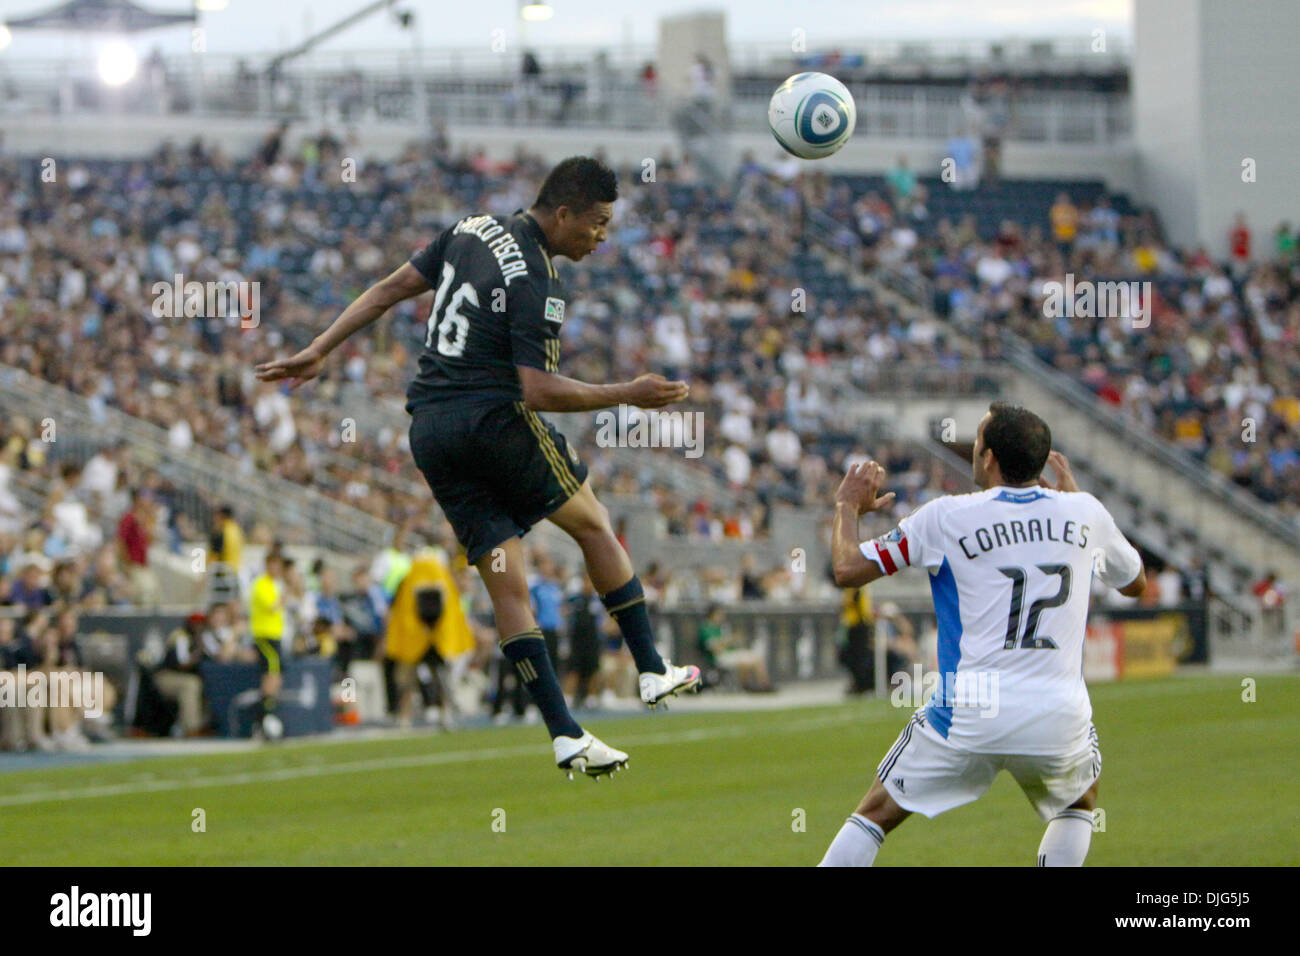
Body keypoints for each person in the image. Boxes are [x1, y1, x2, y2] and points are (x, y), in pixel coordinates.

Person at [256, 156, 700, 778]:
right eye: (597, 224)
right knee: (594, 524)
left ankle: (564, 734)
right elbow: (539, 392)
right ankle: (652, 667)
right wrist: (627, 391)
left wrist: (319, 348)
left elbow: (387, 291)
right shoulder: (539, 278)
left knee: (505, 578)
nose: (601, 237)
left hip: (431, 432)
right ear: (564, 212)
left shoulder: (468, 229)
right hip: (493, 422)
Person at [819, 403, 1146, 867]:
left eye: (975, 443)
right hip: (1057, 713)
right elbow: (1135, 584)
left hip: (969, 713)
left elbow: (847, 569)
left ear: (988, 457)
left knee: (875, 813)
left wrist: (847, 507)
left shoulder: (946, 516)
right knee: (1079, 802)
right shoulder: (1085, 511)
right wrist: (1081, 509)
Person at [248, 551, 289, 739]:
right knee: (271, 673)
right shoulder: (261, 584)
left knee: (277, 676)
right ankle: (262, 718)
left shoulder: (276, 584)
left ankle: (268, 714)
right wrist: (286, 594)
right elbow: (272, 606)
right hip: (263, 636)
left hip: (276, 636)